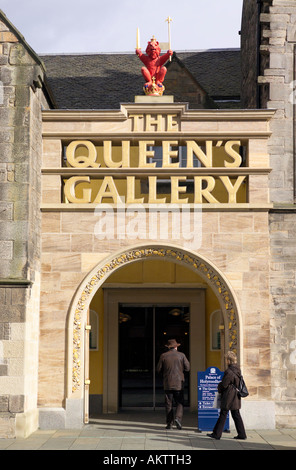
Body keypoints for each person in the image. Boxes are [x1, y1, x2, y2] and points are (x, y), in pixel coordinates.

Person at [207, 351, 247, 440]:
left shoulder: (229, 371)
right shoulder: (237, 370)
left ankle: (216, 434)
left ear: (228, 360)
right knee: (236, 414)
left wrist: (219, 386)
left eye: (226, 359)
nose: (225, 361)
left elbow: (224, 384)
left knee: (223, 414)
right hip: (236, 396)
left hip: (229, 396)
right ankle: (242, 434)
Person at [156, 338, 190, 430]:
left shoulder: (163, 356)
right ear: (176, 347)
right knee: (179, 402)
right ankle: (178, 418)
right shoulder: (181, 355)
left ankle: (169, 423)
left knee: (168, 403)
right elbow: (187, 368)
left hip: (168, 383)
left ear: (168, 347)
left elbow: (158, 369)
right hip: (179, 383)